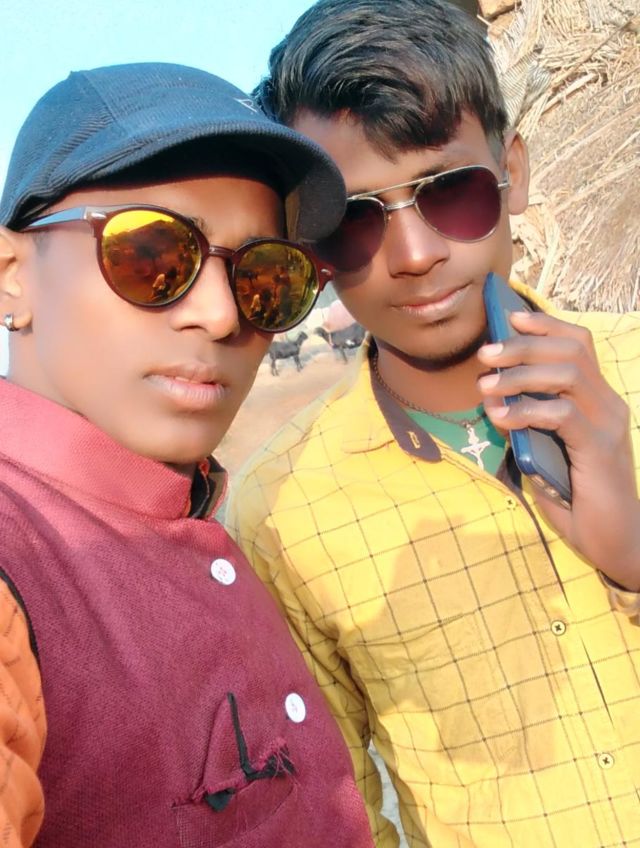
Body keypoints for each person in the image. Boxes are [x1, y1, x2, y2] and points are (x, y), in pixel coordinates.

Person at [225, 2, 640, 846]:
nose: (414, 255)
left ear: (512, 171)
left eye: (450, 191)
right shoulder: (281, 511)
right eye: (355, 219)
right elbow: (342, 807)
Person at [0, 61, 374, 848]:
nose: (221, 313)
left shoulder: (198, 511)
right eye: (152, 254)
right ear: (11, 278)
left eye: (266, 277)